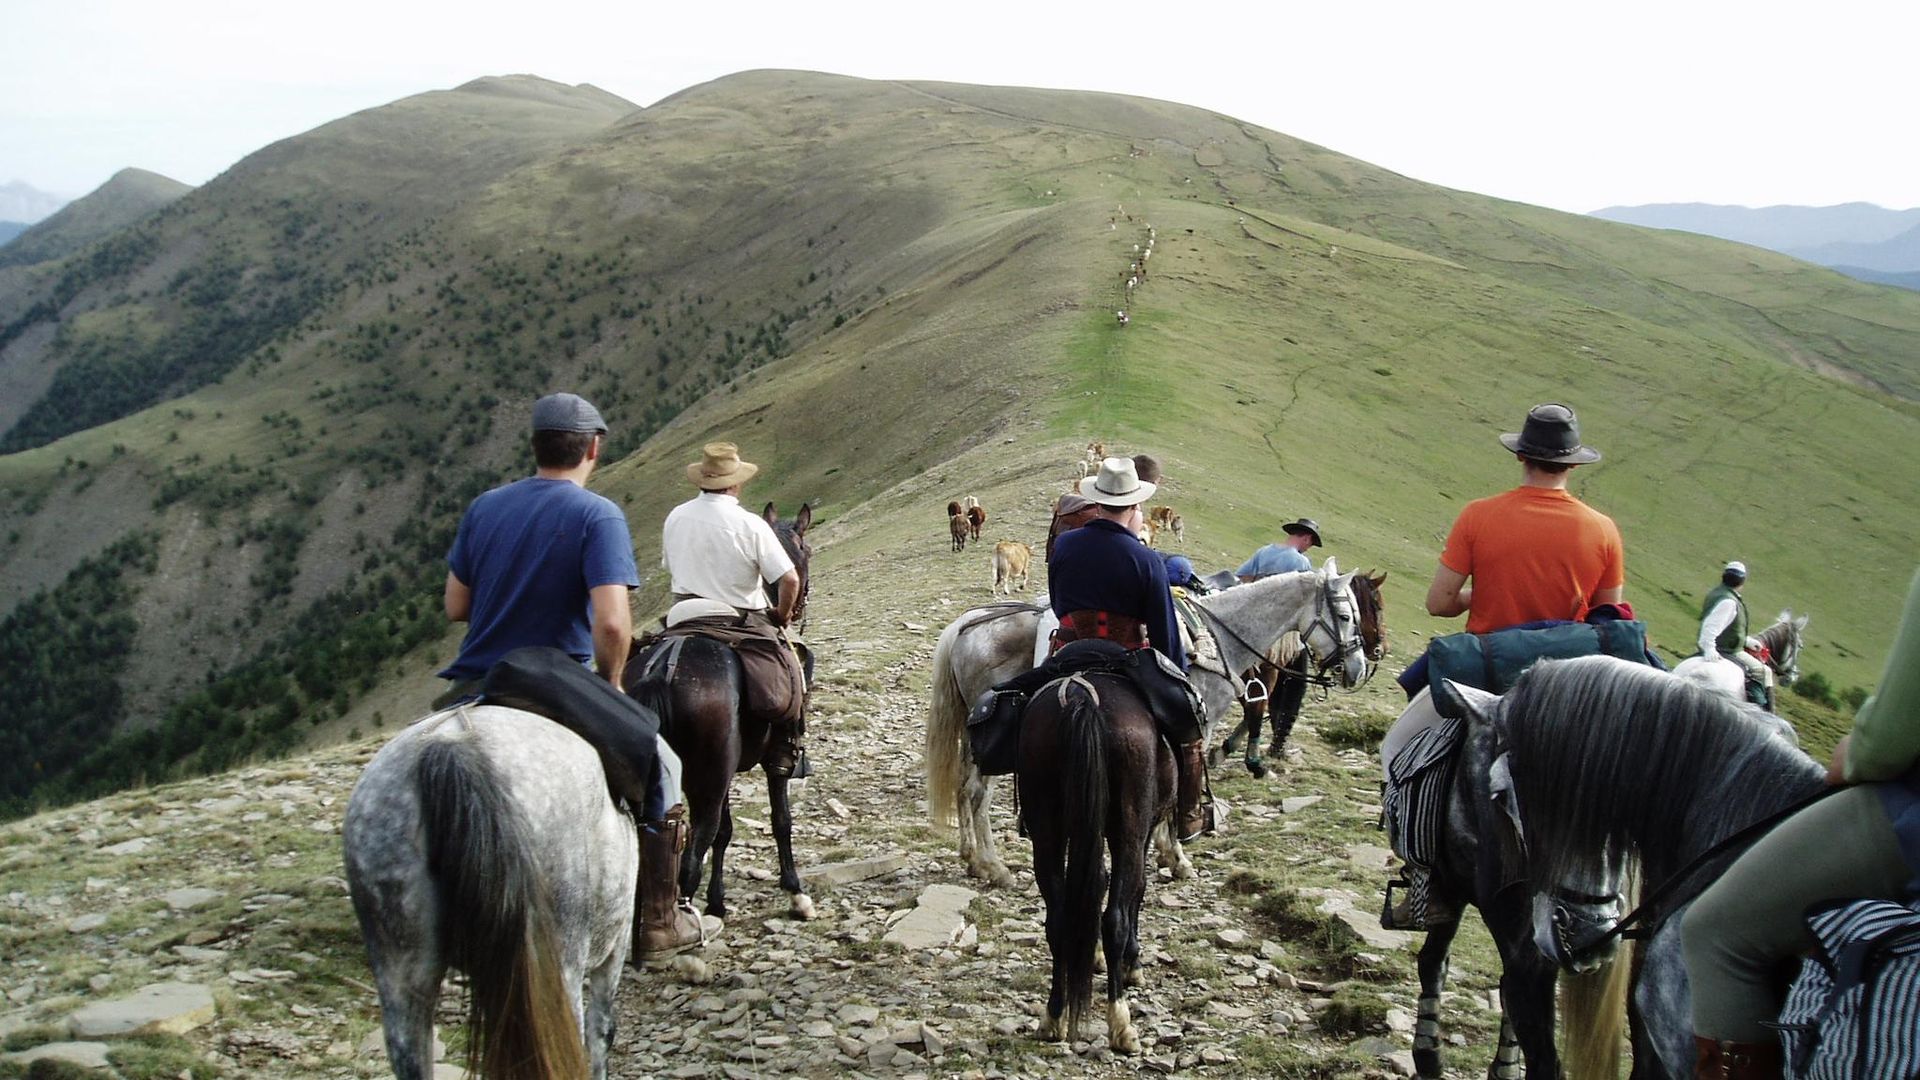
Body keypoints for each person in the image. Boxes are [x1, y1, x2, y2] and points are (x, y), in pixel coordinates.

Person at [437, 392, 712, 958]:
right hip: (555, 680)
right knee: (663, 763)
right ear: (593, 448)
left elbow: (455, 606)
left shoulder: (484, 506)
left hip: (480, 680)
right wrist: (611, 685)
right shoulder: (596, 514)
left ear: (535, 446)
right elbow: (612, 624)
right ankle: (658, 923)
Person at [1381, 403, 1624, 926]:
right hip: (1571, 686)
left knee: (1401, 751)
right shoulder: (1603, 529)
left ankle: (1424, 883)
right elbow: (1609, 612)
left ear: (1522, 458)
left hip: (1487, 676)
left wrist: (1484, 592)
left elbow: (1439, 602)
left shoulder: (1479, 514)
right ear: (1573, 465)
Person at [1681, 568, 1920, 1079]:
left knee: (1715, 931)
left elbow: (1891, 737)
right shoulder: (1732, 602)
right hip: (1728, 659)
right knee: (1759, 684)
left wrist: (1856, 752)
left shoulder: (1720, 598)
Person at [1050, 456, 1217, 839]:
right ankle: (1188, 814)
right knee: (1190, 724)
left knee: (1026, 704)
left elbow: (1060, 605)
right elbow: (1163, 633)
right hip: (1126, 658)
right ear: (1134, 507)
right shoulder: (1146, 559)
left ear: (1099, 501)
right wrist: (1176, 674)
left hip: (1069, 650)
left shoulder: (1066, 545)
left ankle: (1028, 809)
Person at [660, 442, 808, 775]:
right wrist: (782, 616)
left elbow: (672, 565)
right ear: (736, 482)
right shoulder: (750, 523)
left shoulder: (675, 516)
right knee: (795, 661)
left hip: (682, 612)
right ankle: (787, 745)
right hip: (739, 616)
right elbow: (789, 581)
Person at [1699, 560, 1770, 708]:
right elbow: (1711, 627)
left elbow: (1726, 627)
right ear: (1742, 582)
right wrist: (1710, 648)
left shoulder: (1717, 593)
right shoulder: (1729, 601)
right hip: (1726, 651)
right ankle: (1762, 712)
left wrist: (1745, 640)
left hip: (1715, 646)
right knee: (1763, 671)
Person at [1236, 517, 1321, 582]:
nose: (1307, 549)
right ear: (1306, 538)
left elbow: (1241, 575)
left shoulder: (1264, 550)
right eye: (1310, 545)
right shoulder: (1302, 562)